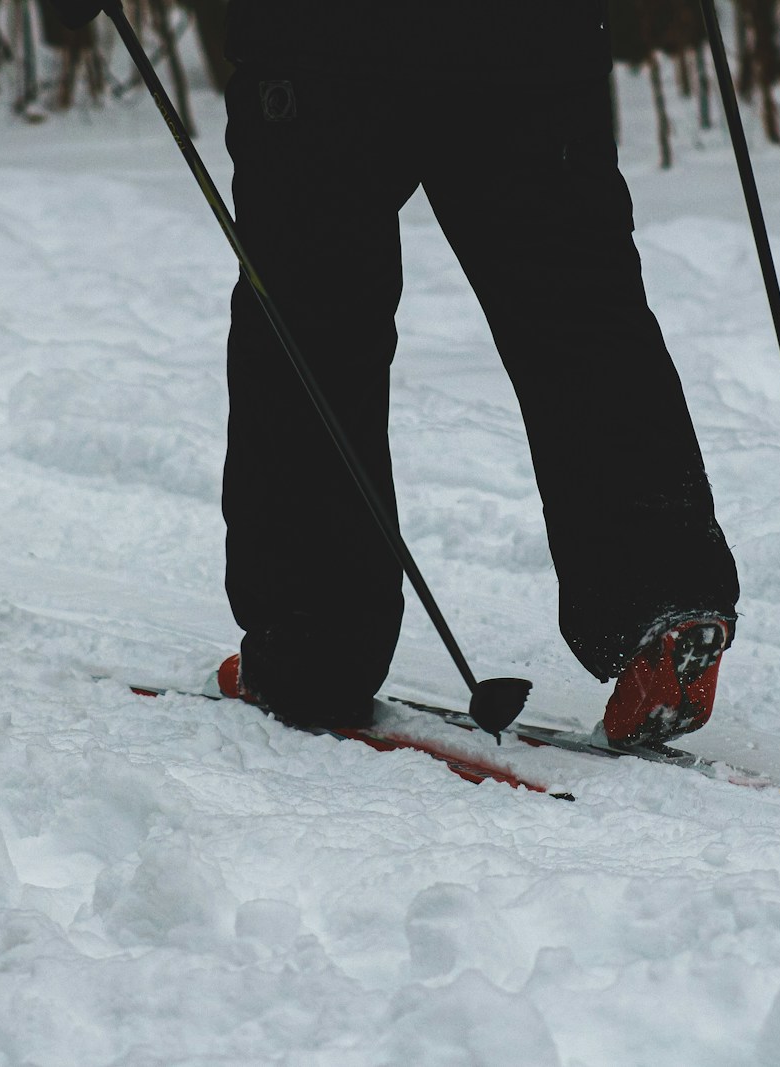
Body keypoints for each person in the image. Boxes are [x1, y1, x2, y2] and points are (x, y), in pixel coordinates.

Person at [215, 0, 739, 746]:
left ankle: (314, 646)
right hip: (531, 37)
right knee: (579, 312)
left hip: (323, 43)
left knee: (311, 329)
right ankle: (662, 600)